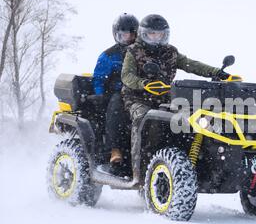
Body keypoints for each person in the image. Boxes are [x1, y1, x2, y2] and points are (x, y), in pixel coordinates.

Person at [121, 14, 230, 184]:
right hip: (137, 98)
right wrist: (143, 83)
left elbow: (191, 64)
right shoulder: (133, 51)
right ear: (143, 34)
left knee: (191, 120)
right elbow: (126, 76)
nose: (156, 37)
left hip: (165, 98)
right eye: (151, 34)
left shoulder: (170, 51)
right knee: (142, 118)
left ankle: (191, 163)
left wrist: (216, 72)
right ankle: (138, 172)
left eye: (159, 34)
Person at [92, 13, 139, 165]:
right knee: (117, 104)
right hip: (115, 92)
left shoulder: (142, 53)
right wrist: (99, 96)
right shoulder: (109, 55)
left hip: (139, 91)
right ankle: (115, 149)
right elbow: (98, 79)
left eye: (132, 34)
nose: (129, 38)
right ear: (116, 35)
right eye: (124, 35)